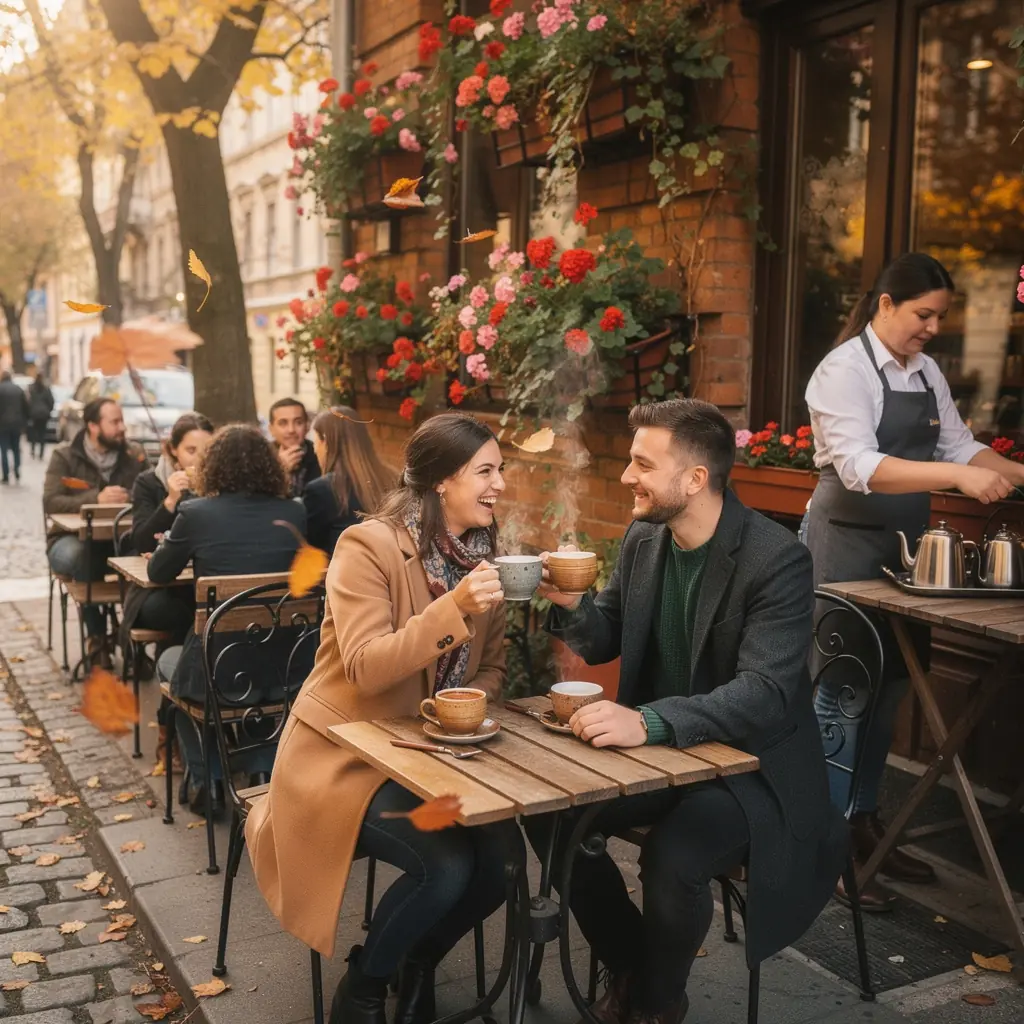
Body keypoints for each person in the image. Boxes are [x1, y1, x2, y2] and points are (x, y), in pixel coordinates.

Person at [531, 398, 846, 1024]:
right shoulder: (645, 539)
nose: (626, 477)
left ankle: (656, 1006)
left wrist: (646, 721)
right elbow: (606, 636)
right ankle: (632, 966)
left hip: (750, 767)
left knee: (674, 858)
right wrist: (571, 602)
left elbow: (765, 693)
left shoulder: (776, 557)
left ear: (695, 479)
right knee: (552, 817)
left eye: (642, 464)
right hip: (658, 754)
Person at [247, 412, 522, 1024]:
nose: (499, 483)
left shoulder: (483, 556)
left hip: (432, 753)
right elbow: (367, 666)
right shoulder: (367, 545)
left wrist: (464, 708)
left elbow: (494, 671)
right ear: (442, 482)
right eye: (485, 471)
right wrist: (454, 605)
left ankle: (417, 960)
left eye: (500, 469)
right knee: (445, 866)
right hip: (345, 757)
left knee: (502, 864)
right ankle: (365, 985)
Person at [804, 252, 1024, 908]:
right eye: (923, 314)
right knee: (842, 693)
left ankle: (867, 827)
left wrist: (1013, 473)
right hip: (843, 549)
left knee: (892, 688)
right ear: (886, 305)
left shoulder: (925, 371)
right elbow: (857, 465)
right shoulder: (842, 370)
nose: (931, 327)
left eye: (940, 317)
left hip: (904, 558)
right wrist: (956, 479)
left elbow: (957, 444)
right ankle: (825, 846)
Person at [148, 424, 306, 815]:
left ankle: (208, 778)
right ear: (270, 467)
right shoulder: (295, 511)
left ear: (212, 467)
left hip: (218, 674)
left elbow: (157, 574)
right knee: (243, 672)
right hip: (286, 667)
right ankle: (262, 771)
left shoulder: (196, 512)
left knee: (169, 667)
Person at [119, 413, 214, 765]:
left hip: (195, 591)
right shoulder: (150, 482)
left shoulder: (218, 485)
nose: (198, 459)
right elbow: (138, 539)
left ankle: (190, 720)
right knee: (191, 618)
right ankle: (170, 729)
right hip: (151, 594)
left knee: (197, 615)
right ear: (173, 452)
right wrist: (170, 502)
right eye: (191, 450)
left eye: (206, 451)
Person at [43, 398, 147, 654]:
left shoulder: (134, 455)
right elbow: (51, 501)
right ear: (93, 426)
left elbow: (151, 493)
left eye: (121, 420)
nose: (122, 427)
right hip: (69, 540)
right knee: (84, 556)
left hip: (120, 539)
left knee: (145, 561)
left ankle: (131, 638)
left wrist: (131, 497)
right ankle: (97, 638)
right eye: (114, 422)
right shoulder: (65, 456)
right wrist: (95, 499)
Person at [301, 405, 395, 555]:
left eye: (315, 441)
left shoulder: (320, 490)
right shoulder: (393, 477)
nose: (314, 449)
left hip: (341, 574)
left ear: (326, 442)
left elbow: (312, 546)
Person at [268, 396, 321, 497]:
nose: (291, 430)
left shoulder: (319, 455)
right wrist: (280, 470)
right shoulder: (259, 458)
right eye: (283, 423)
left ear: (307, 426)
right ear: (271, 429)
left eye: (298, 422)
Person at [0, 369, 29, 483]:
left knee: (4, 450)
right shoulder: (18, 390)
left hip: (2, 425)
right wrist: (25, 422)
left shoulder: (0, 390)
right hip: (17, 424)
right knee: (16, 448)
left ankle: (6, 474)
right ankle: (17, 469)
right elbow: (26, 407)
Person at [27, 375, 55, 460]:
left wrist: (29, 412)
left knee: (34, 432)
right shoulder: (46, 389)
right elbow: (51, 401)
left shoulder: (32, 389)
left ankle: (33, 450)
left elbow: (28, 401)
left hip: (34, 414)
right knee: (42, 433)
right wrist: (48, 410)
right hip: (43, 414)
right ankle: (41, 453)